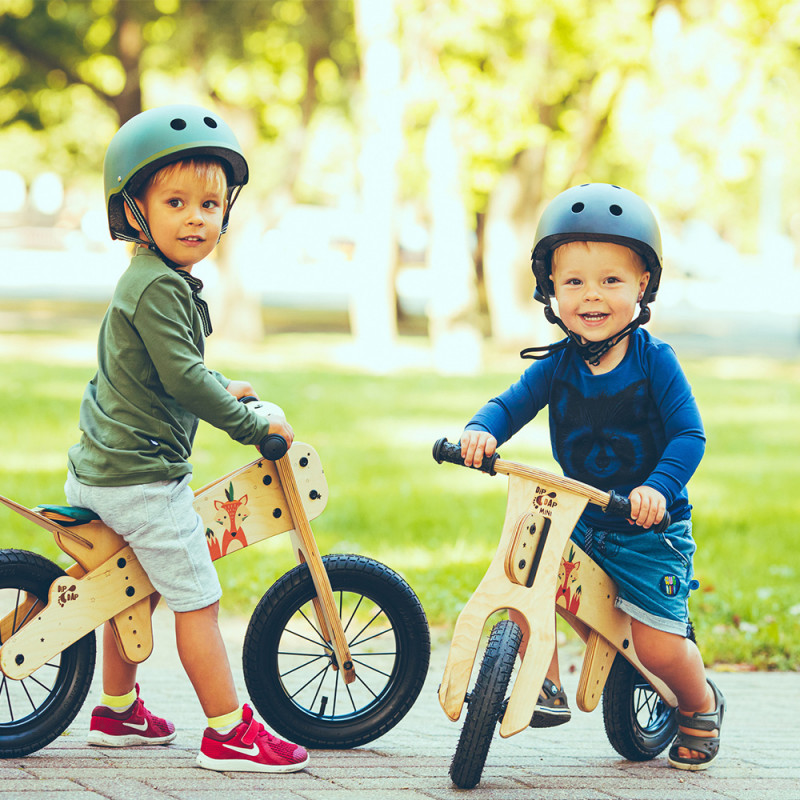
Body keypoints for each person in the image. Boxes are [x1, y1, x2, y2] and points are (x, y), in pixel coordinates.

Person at [65, 105, 308, 773]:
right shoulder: (157, 287)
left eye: (209, 202)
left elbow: (175, 370)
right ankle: (229, 731)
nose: (197, 217)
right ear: (134, 210)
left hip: (103, 469)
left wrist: (223, 384)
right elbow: (184, 380)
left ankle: (116, 709)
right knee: (197, 599)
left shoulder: (153, 280)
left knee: (128, 586)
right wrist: (255, 427)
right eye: (176, 202)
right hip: (140, 480)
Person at [460, 183, 724, 771]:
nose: (592, 295)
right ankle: (544, 681)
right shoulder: (555, 365)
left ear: (642, 286)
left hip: (646, 531)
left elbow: (689, 436)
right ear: (549, 289)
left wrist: (658, 489)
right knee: (528, 569)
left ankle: (699, 702)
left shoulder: (656, 361)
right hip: (583, 515)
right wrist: (482, 431)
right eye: (573, 281)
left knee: (654, 645)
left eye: (611, 280)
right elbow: (508, 406)